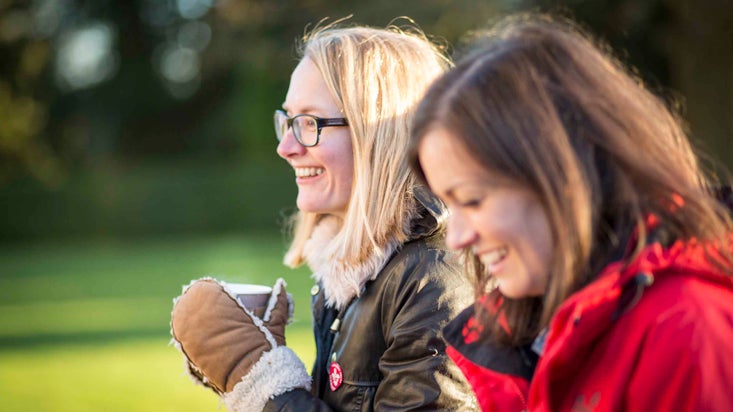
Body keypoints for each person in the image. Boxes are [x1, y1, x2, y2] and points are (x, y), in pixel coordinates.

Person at [408, 13, 733, 412]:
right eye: (448, 204)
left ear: (564, 174)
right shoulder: (529, 335)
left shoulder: (686, 331)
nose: (456, 237)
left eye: (473, 200)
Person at [170, 21, 477, 411]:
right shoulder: (355, 272)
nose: (286, 147)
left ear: (378, 133)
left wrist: (263, 380)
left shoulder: (434, 282)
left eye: (310, 123)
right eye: (287, 120)